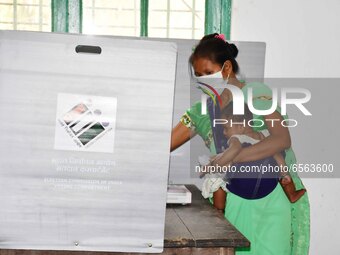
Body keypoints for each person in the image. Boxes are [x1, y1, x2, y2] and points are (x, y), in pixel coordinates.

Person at [171, 33, 310, 255]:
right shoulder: (202, 112)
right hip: (233, 201)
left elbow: (281, 139)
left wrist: (230, 158)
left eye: (208, 73)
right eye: (198, 75)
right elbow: (162, 146)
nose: (203, 80)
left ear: (226, 68)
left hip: (271, 200)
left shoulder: (255, 94)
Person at [200, 102, 306, 210]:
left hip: (244, 184)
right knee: (275, 154)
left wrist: (215, 165)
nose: (224, 132)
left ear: (241, 126)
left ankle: (218, 210)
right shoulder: (263, 135)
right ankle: (291, 192)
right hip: (266, 186)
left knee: (215, 176)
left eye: (226, 128)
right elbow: (278, 157)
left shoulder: (236, 138)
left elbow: (234, 150)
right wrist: (284, 175)